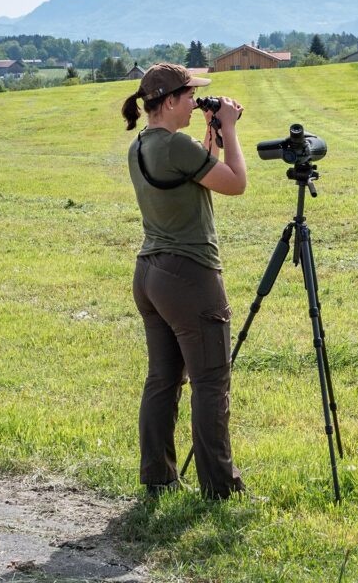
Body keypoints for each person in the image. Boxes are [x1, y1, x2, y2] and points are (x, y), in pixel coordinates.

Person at [120, 63, 247, 499]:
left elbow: (198, 171)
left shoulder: (141, 147)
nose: (195, 102)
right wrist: (229, 130)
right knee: (211, 382)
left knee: (162, 380)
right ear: (170, 101)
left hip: (150, 273)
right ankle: (221, 487)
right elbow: (234, 183)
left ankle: (158, 477)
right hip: (190, 276)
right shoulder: (177, 146)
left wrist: (210, 135)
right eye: (190, 96)